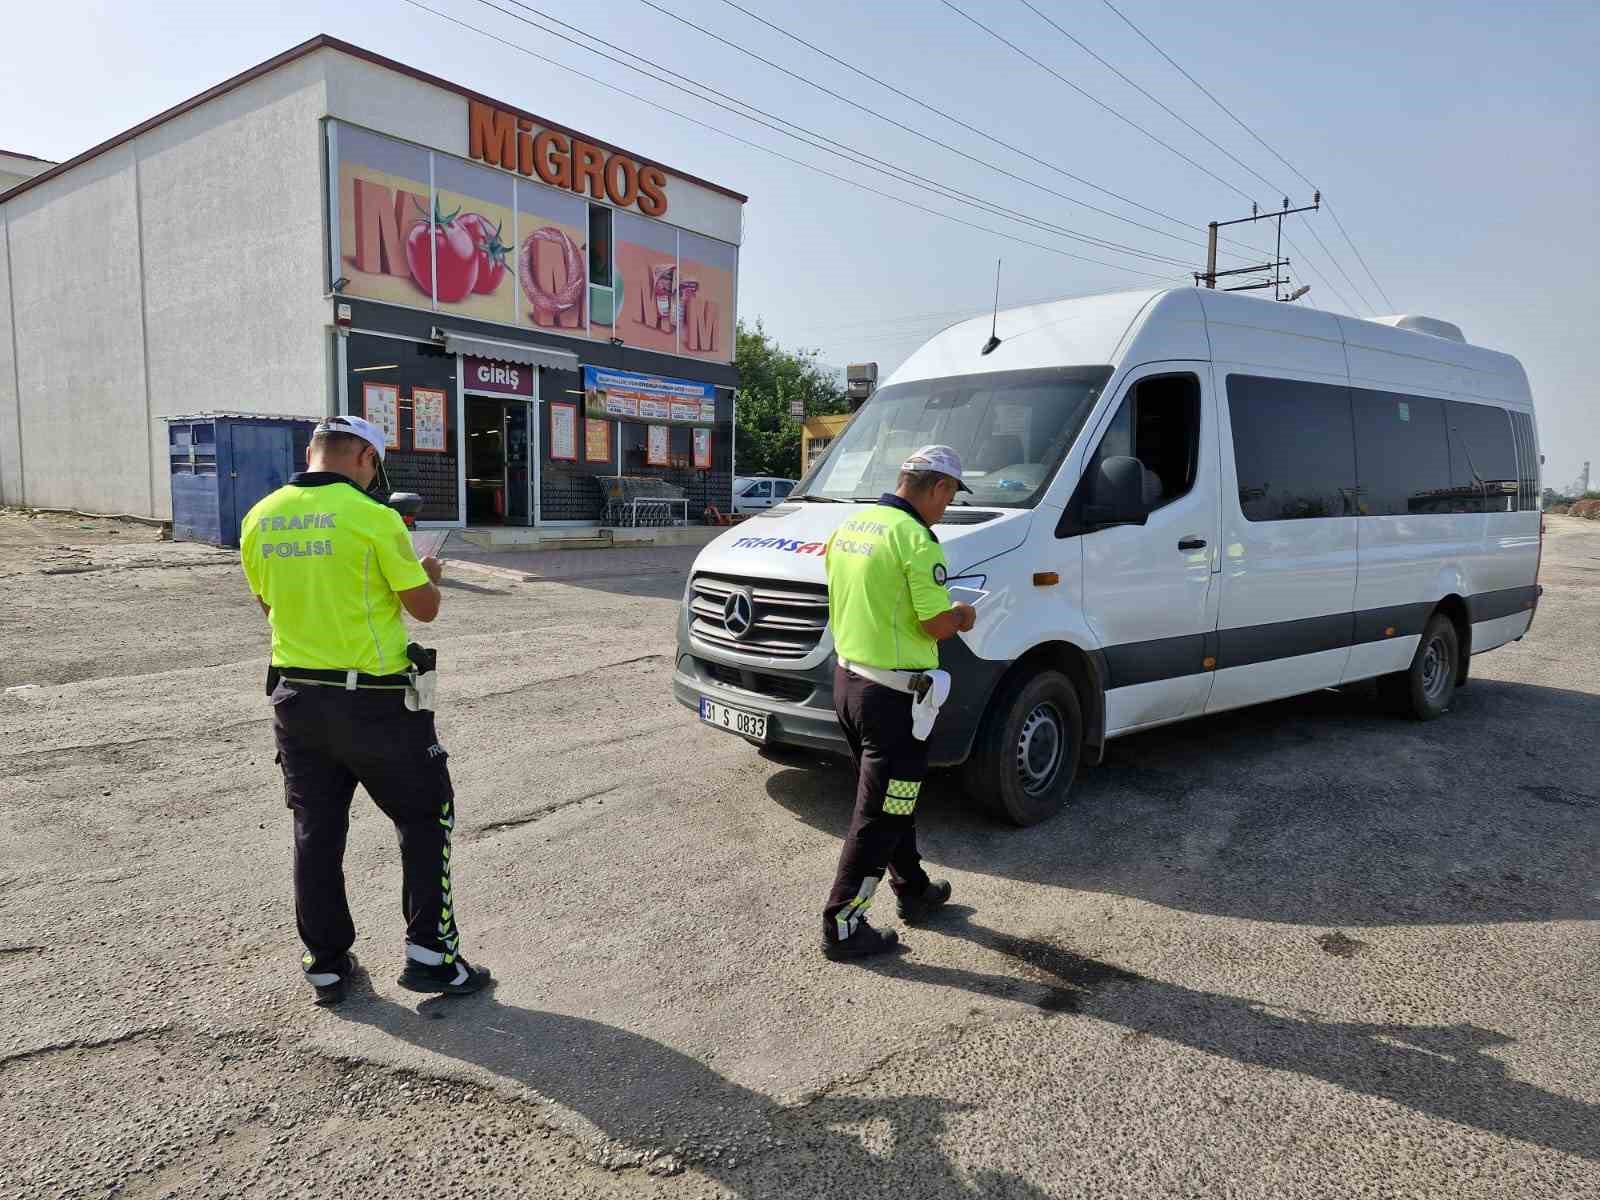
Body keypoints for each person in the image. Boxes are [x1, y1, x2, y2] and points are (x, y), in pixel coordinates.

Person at [241, 415, 491, 1005]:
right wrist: (428, 574)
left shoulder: (259, 517)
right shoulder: (375, 518)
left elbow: (268, 606)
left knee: (316, 832)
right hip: (376, 703)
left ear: (312, 451)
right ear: (365, 459)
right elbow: (423, 609)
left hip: (296, 700)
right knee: (426, 816)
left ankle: (326, 964)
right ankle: (432, 956)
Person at [820, 445, 979, 960]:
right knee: (881, 813)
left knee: (895, 797)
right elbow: (935, 625)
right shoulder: (917, 541)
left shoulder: (853, 526)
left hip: (848, 681)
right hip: (892, 699)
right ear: (938, 487)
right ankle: (843, 924)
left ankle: (913, 890)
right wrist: (961, 615)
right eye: (950, 496)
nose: (948, 508)